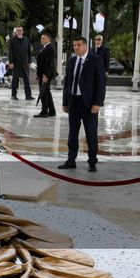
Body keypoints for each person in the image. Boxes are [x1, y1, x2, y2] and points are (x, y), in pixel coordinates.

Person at [59, 36, 106, 172]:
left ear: (85, 46)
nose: (76, 47)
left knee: (91, 134)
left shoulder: (96, 61)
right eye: (74, 45)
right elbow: (67, 83)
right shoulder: (72, 61)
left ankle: (92, 161)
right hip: (74, 102)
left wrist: (97, 103)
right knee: (72, 134)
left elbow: (101, 84)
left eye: (78, 45)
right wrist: (65, 102)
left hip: (89, 104)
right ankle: (71, 160)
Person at [35, 31, 56, 118]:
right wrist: (38, 74)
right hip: (43, 74)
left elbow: (48, 63)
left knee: (43, 92)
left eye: (43, 38)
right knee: (46, 92)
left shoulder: (49, 48)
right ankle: (51, 111)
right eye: (41, 38)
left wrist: (45, 75)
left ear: (48, 39)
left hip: (46, 74)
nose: (41, 40)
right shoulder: (45, 48)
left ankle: (44, 111)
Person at [7, 26, 33, 101]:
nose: (19, 32)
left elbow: (29, 51)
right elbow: (10, 52)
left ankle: (28, 96)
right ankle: (13, 95)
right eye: (17, 30)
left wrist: (30, 61)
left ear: (22, 31)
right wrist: (11, 62)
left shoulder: (26, 39)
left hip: (25, 63)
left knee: (26, 80)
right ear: (16, 32)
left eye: (20, 30)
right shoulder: (12, 40)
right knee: (15, 80)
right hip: (16, 63)